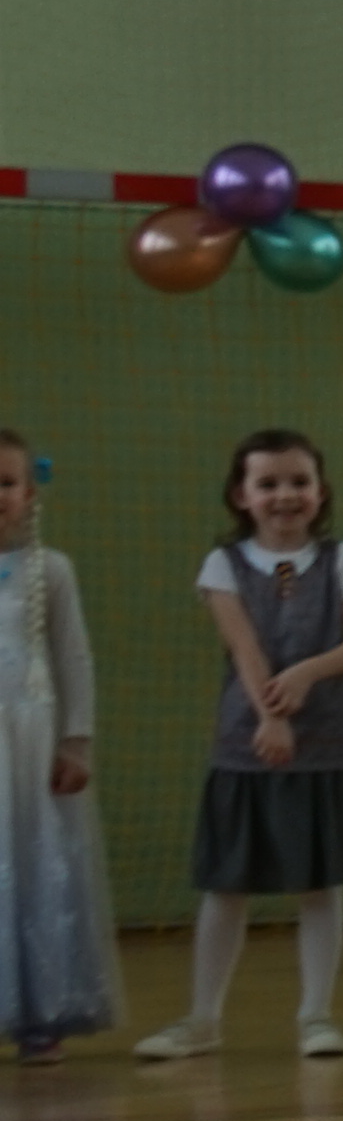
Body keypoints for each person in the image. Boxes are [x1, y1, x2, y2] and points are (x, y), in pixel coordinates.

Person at [139, 429, 343, 1062]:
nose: (285, 495)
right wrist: (270, 717)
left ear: (321, 492)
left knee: (320, 885)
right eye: (268, 483)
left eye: (299, 482)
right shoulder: (222, 564)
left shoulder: (340, 559)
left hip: (324, 747)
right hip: (245, 746)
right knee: (227, 886)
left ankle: (316, 1016)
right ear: (241, 495)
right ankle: (202, 1019)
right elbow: (244, 647)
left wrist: (306, 673)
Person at [0, 432, 118, 1061]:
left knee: (35, 867)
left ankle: (40, 1012)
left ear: (29, 492)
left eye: (6, 482)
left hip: (30, 746)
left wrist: (77, 742)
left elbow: (74, 658)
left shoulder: (52, 570)